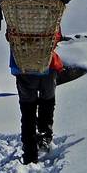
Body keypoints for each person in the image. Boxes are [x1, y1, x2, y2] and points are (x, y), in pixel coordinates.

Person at [9, 29, 63, 164]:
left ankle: (30, 152)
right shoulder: (50, 14)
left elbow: (10, 37)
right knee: (48, 102)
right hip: (48, 66)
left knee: (28, 110)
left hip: (23, 68)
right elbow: (56, 37)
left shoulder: (15, 14)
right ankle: (45, 137)